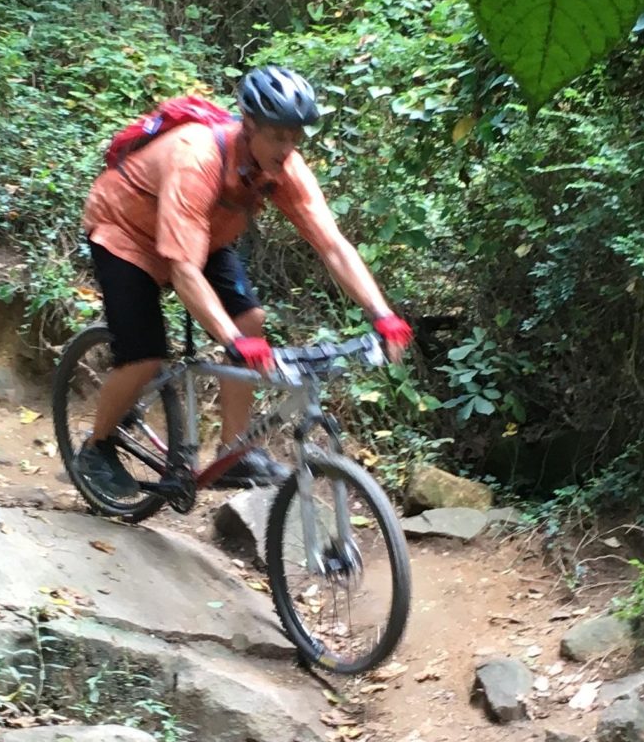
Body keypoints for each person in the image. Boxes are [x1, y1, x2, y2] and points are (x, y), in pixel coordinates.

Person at [76, 65, 412, 505]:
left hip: (203, 232)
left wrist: (382, 314)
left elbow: (332, 245)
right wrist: (232, 341)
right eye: (277, 136)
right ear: (248, 126)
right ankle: (96, 448)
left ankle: (232, 456)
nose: (288, 148)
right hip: (126, 231)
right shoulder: (196, 157)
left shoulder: (283, 165)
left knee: (251, 318)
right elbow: (182, 269)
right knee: (144, 354)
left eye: (296, 137)